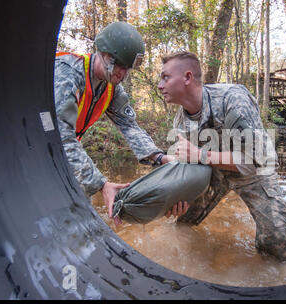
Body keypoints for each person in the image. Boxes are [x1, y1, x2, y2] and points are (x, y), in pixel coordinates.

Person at [158, 51, 286, 262]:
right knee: (183, 224)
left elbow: (253, 162)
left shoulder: (233, 99)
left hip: (255, 171)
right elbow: (186, 162)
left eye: (165, 77)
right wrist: (178, 193)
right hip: (213, 171)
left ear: (187, 77)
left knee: (275, 242)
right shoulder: (181, 121)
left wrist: (199, 154)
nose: (160, 85)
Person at [54, 22, 187, 223]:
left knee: (82, 215)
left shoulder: (111, 88)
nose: (124, 74)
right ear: (106, 55)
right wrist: (101, 184)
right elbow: (60, 138)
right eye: (121, 66)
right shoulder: (68, 74)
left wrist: (159, 158)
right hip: (34, 148)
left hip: (67, 151)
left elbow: (129, 125)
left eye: (128, 69)